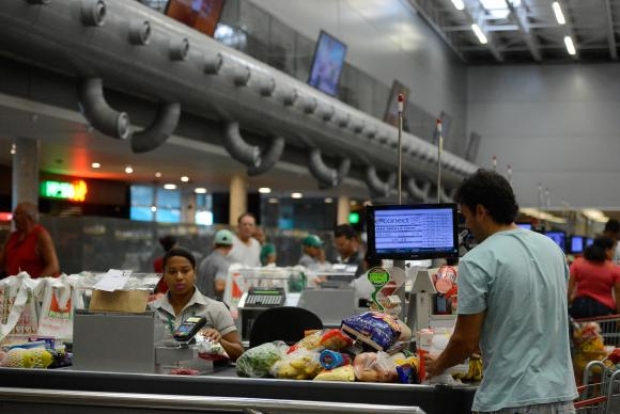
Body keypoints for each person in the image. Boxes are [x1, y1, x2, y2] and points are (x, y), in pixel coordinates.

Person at [423, 169, 577, 413]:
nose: (468, 226)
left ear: (481, 211)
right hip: (560, 396)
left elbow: (465, 341)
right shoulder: (552, 249)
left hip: (509, 399)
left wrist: (438, 365)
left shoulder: (478, 259)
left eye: (466, 216)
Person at [151, 247, 244, 361]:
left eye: (185, 271)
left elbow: (239, 353)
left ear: (194, 273)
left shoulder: (216, 309)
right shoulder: (151, 310)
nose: (179, 277)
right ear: (164, 275)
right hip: (158, 377)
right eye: (172, 272)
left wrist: (219, 342)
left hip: (203, 377)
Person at [0, 201, 60, 278]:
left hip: (34, 288)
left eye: (17, 214)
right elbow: (1, 262)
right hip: (16, 288)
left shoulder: (40, 234)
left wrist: (35, 285)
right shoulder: (12, 236)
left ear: (29, 217)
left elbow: (54, 266)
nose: (14, 218)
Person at [568, 236, 620, 319]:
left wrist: (569, 302)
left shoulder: (577, 263)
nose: (613, 253)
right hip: (603, 311)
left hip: (579, 308)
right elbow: (618, 296)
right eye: (613, 250)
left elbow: (568, 290)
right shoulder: (614, 269)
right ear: (607, 251)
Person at [196, 229, 234, 301]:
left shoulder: (205, 261)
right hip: (213, 306)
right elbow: (219, 286)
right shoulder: (224, 264)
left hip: (200, 302)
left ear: (214, 245)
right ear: (231, 246)